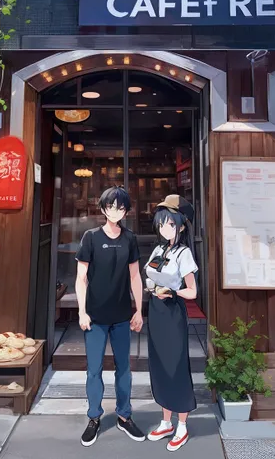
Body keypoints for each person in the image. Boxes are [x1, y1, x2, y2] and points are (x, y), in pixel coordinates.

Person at [75, 186, 145, 447]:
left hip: (121, 316)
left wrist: (139, 310)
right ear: (103, 208)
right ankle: (94, 417)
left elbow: (135, 276)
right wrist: (82, 311)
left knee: (124, 370)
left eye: (121, 207)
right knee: (94, 371)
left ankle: (124, 416)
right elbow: (81, 278)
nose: (116, 211)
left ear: (126, 210)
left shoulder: (130, 238)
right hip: (94, 317)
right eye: (112, 207)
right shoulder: (90, 237)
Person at [144, 195, 198, 452]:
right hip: (155, 311)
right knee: (160, 365)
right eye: (161, 224)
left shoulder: (183, 253)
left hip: (173, 312)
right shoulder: (158, 250)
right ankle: (166, 421)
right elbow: (150, 276)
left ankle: (183, 425)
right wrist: (152, 287)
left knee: (176, 366)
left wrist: (172, 292)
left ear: (182, 225)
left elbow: (192, 291)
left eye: (170, 224)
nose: (165, 229)